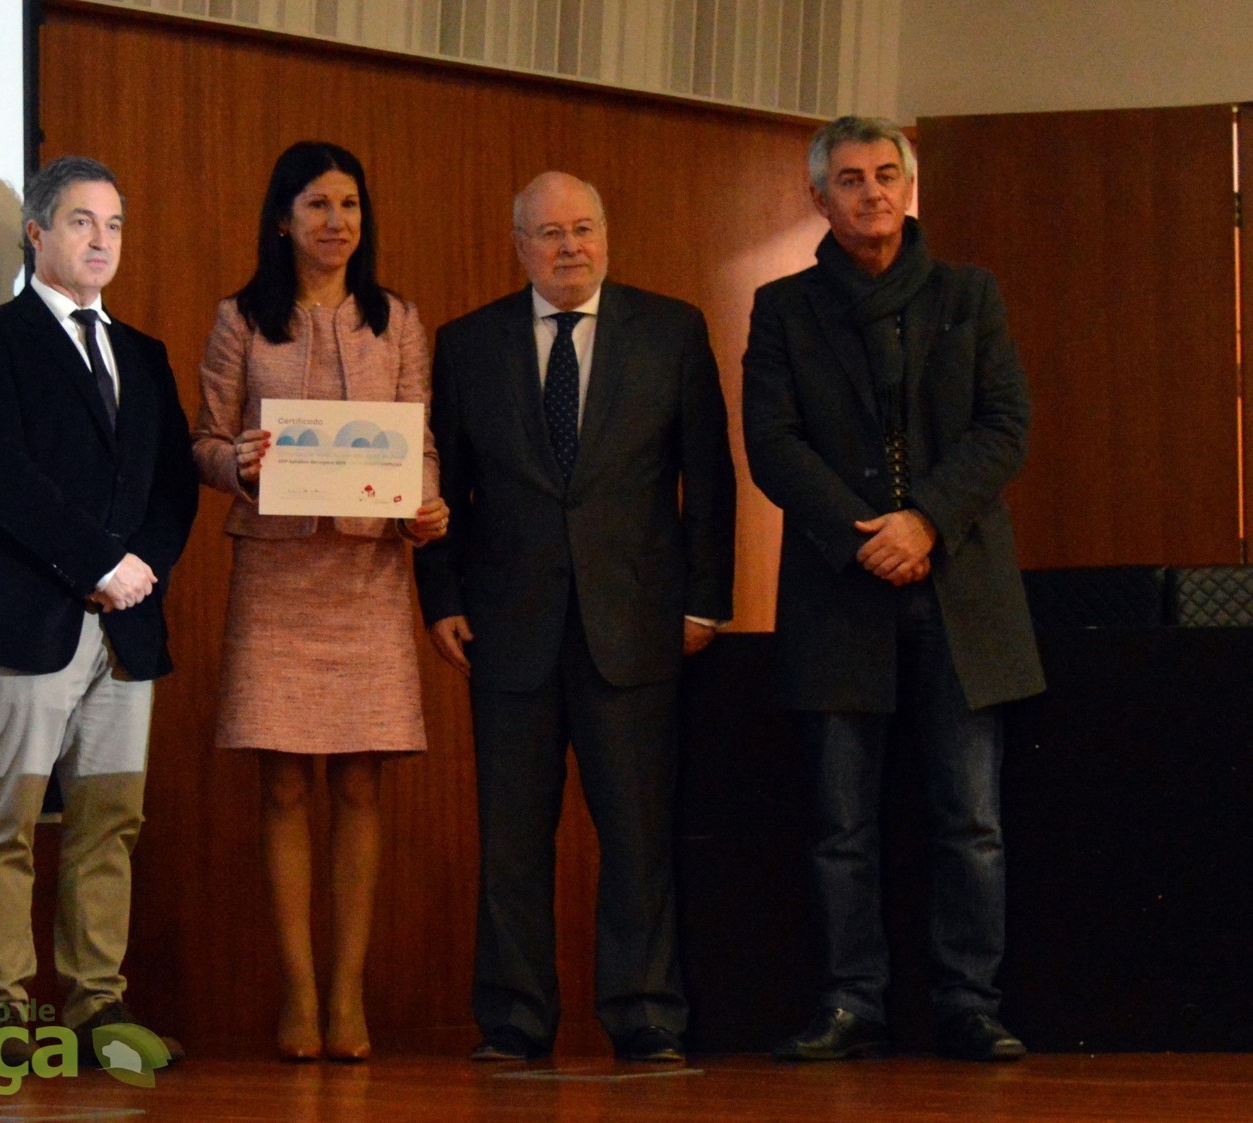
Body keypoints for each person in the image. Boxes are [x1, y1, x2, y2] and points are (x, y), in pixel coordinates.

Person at [742, 116, 1045, 1063]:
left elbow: (1005, 425)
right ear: (817, 197)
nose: (871, 192)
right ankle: (851, 1001)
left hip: (963, 588)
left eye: (885, 175)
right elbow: (772, 445)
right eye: (850, 179)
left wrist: (925, 522)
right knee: (840, 825)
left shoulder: (968, 293)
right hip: (841, 590)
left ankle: (969, 1003)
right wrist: (864, 537)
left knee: (972, 821)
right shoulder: (783, 308)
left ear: (908, 188)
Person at [414, 171, 736, 1064]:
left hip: (637, 625)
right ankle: (514, 1021)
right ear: (519, 246)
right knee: (512, 841)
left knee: (638, 834)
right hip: (505, 629)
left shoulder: (671, 331)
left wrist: (707, 599)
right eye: (550, 233)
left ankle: (646, 1013)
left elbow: (708, 477)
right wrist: (441, 596)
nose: (570, 247)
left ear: (606, 236)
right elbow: (441, 483)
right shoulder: (468, 344)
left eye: (584, 228)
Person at [191, 141, 447, 1062]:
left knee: (362, 782)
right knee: (285, 783)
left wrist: (427, 501)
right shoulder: (239, 319)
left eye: (350, 205)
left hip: (368, 574)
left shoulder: (397, 319)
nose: (337, 222)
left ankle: (348, 994)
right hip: (278, 573)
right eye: (318, 205)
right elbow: (207, 440)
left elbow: (419, 439)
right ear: (283, 219)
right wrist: (237, 463)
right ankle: (299, 994)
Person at [0, 155, 198, 1063]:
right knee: (8, 821)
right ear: (37, 234)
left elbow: (173, 486)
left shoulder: (145, 354)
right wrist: (97, 563)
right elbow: (1, 474)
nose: (102, 239)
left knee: (110, 823)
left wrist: (138, 570)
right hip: (26, 617)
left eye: (115, 224)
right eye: (83, 221)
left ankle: (96, 1005)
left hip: (127, 624)